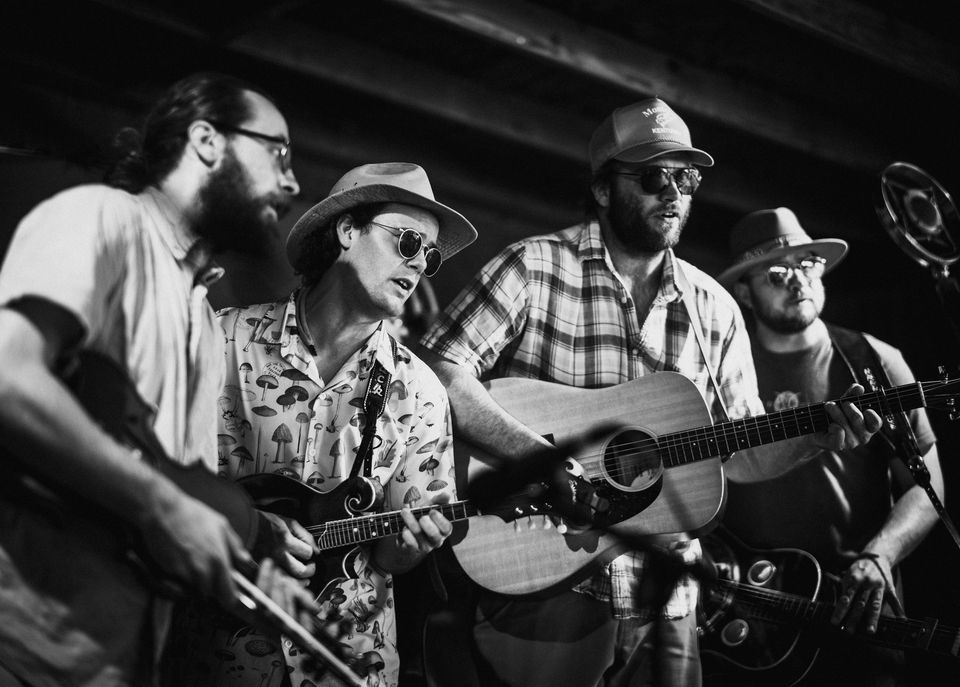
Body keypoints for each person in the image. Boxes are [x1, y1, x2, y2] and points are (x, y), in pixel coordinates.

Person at [418, 97, 882, 687]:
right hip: (543, 577)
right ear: (605, 189)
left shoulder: (713, 305)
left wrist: (818, 436)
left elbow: (738, 452)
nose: (673, 193)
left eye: (685, 177)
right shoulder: (531, 267)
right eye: (652, 176)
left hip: (670, 600)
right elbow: (438, 368)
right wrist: (538, 455)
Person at [0, 72, 318, 687]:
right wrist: (161, 503)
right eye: (276, 151)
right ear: (206, 140)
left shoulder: (201, 316)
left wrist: (248, 574)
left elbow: (170, 496)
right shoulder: (102, 217)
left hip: (114, 663)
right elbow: (8, 376)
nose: (292, 180)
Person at [169, 162, 476, 687]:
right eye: (408, 242)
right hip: (211, 656)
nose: (421, 265)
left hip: (348, 663)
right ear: (348, 231)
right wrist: (241, 524)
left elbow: (391, 556)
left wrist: (407, 547)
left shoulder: (421, 389)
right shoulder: (221, 341)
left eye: (429, 255)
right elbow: (157, 473)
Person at [713, 207, 944, 686]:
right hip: (750, 608)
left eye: (808, 265)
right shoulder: (723, 374)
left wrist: (881, 555)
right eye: (777, 273)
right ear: (743, 292)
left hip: (857, 606)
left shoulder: (874, 360)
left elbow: (928, 484)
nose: (797, 281)